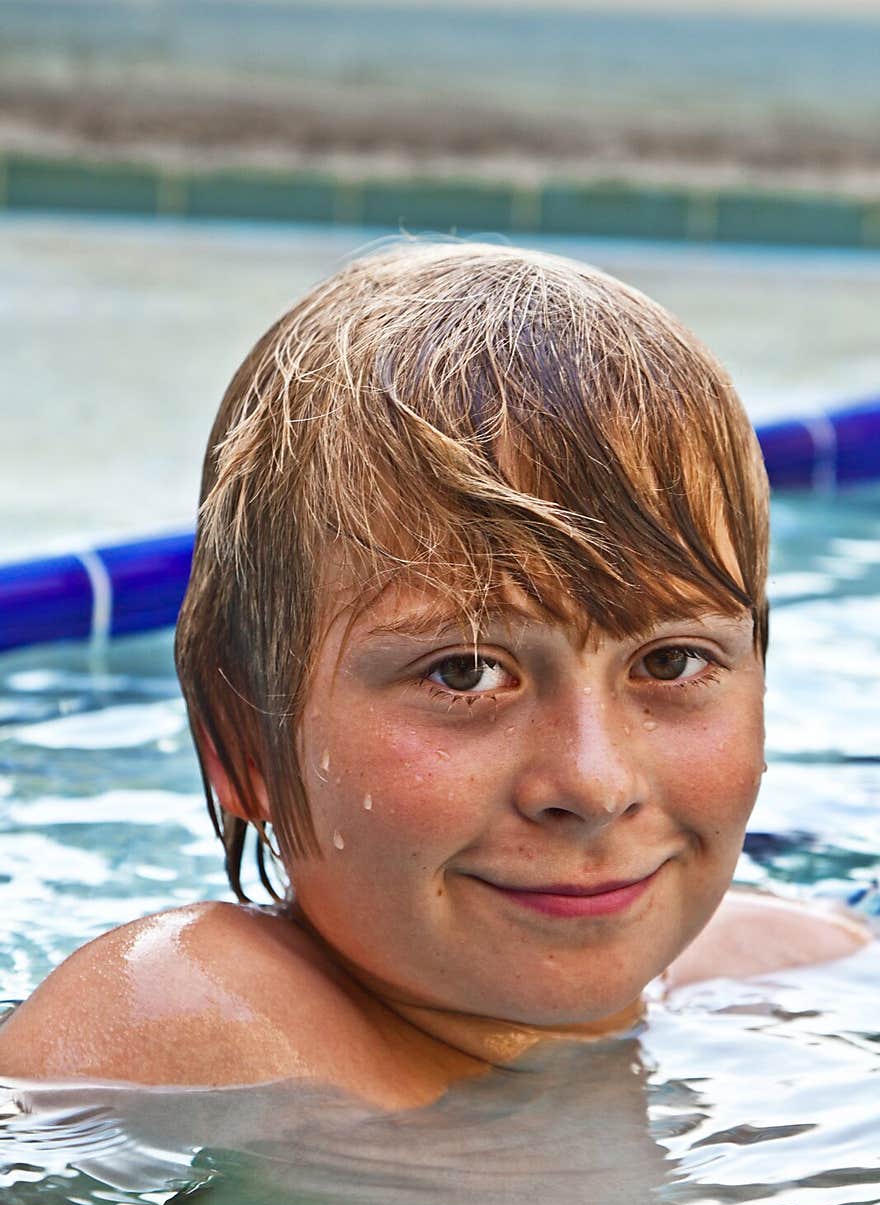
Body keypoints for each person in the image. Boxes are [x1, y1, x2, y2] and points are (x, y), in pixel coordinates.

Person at [0, 241, 869, 1109]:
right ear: (246, 742)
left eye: (672, 661)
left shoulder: (798, 977)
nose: (595, 785)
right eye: (464, 674)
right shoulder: (185, 1028)